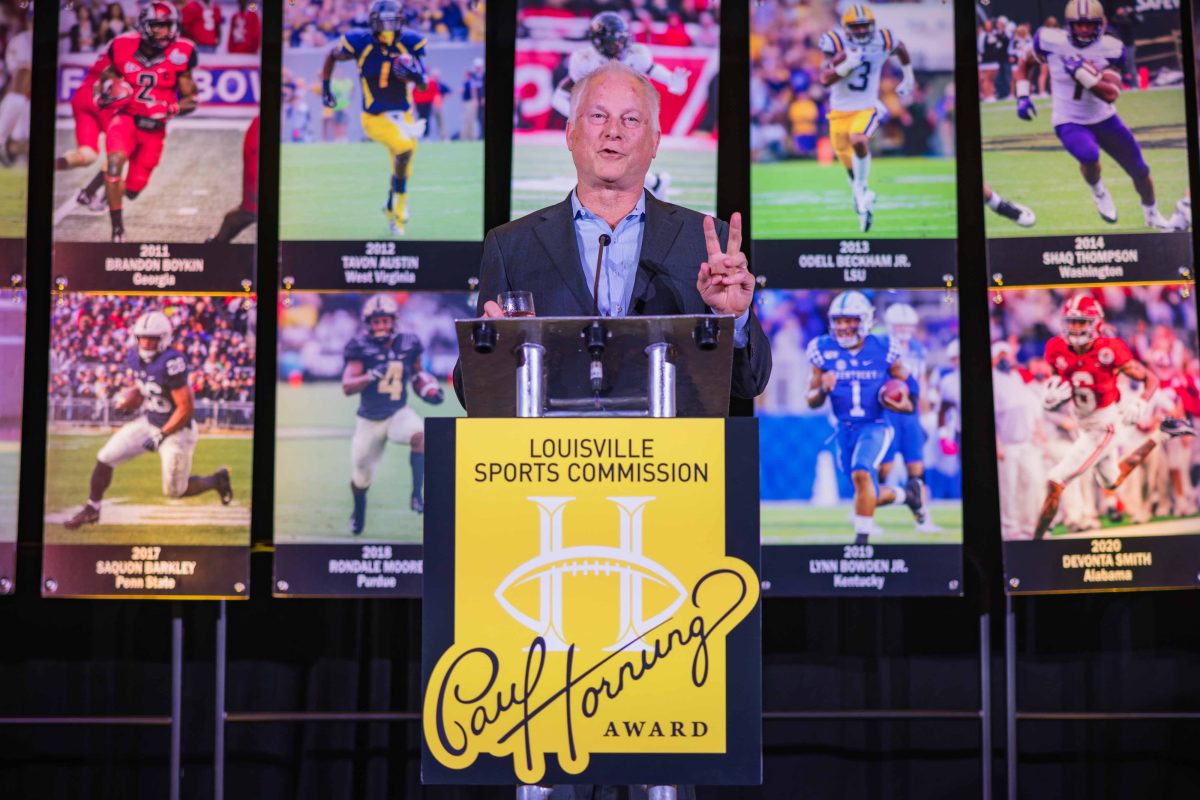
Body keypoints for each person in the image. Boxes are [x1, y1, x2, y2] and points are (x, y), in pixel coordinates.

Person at [458, 60, 770, 406]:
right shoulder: (510, 245)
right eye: (598, 116)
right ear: (570, 134)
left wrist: (733, 319)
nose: (613, 131)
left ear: (655, 142)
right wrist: (493, 348)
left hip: (671, 441)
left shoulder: (705, 241)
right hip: (555, 439)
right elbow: (470, 393)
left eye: (631, 119)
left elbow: (749, 382)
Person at [1032, 295, 1194, 539]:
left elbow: (1151, 379)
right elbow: (1060, 380)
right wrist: (1052, 398)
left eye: (1080, 321)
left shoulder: (1110, 349)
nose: (1074, 327)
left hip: (1103, 423)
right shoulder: (1056, 348)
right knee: (1112, 482)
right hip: (1080, 420)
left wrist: (1141, 401)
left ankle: (1035, 542)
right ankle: (1161, 435)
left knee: (1055, 480)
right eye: (1071, 322)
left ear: (1095, 323)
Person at [1012, 0, 1178, 229]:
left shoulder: (1111, 48)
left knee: (1140, 169)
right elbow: (1024, 64)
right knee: (1089, 155)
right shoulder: (1049, 41)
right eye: (1078, 25)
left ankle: (1152, 213)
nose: (1083, 30)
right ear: (1068, 25)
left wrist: (1084, 74)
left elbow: (1111, 94)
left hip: (1105, 118)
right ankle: (1098, 190)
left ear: (1101, 24)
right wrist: (1023, 95)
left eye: (1089, 24)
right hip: (1068, 119)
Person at [62, 310, 233, 530]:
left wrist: (162, 435)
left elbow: (185, 408)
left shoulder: (172, 362)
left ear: (164, 338)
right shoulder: (135, 357)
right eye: (142, 338)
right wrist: (128, 403)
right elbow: (144, 387)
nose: (146, 343)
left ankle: (216, 480)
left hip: (176, 431)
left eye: (152, 338)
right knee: (105, 457)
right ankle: (92, 509)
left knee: (175, 491)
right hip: (150, 422)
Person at [807, 291, 915, 544]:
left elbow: (911, 392)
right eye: (839, 320)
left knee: (861, 471)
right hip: (844, 428)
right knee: (864, 489)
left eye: (849, 320)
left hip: (875, 425)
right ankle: (907, 495)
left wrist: (903, 403)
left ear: (865, 320)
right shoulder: (822, 348)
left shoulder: (884, 347)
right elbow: (811, 400)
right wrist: (823, 389)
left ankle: (861, 542)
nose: (843, 326)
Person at [550, 11, 690, 199]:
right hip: (602, 114)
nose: (621, 45)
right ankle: (654, 183)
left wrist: (673, 81)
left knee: (614, 155)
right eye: (615, 41)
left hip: (628, 111)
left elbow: (655, 71)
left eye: (622, 39)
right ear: (599, 42)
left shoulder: (636, 55)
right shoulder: (585, 60)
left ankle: (651, 184)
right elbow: (559, 97)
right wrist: (578, 116)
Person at [95, 1, 199, 243]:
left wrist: (170, 108)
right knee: (114, 163)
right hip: (127, 118)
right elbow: (106, 76)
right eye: (158, 26)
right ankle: (117, 230)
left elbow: (192, 99)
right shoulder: (122, 45)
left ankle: (107, 191)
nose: (164, 31)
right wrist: (109, 89)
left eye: (168, 26)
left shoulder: (181, 53)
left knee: (133, 190)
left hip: (154, 131)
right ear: (144, 26)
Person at [322, 0, 427, 236]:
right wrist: (326, 87)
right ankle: (399, 212)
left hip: (404, 116)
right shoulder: (361, 42)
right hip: (375, 117)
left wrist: (417, 77)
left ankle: (390, 203)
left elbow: (423, 86)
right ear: (373, 22)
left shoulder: (410, 42)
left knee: (404, 168)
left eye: (392, 21)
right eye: (384, 22)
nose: (388, 27)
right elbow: (332, 54)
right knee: (403, 149)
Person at [343, 294, 444, 531]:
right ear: (369, 323)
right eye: (376, 321)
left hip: (398, 411)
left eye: (385, 320)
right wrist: (370, 376)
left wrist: (428, 390)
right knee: (361, 475)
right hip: (369, 419)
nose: (381, 325)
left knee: (420, 435)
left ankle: (417, 494)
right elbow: (347, 386)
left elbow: (417, 374)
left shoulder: (409, 343)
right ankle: (359, 511)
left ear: (393, 321)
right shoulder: (360, 346)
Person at [818, 4, 915, 231]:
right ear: (846, 28)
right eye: (856, 27)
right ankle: (862, 203)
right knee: (850, 169)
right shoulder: (835, 42)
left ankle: (861, 190)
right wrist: (846, 66)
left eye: (865, 26)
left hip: (867, 107)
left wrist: (908, 77)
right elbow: (824, 79)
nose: (861, 31)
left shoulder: (883, 39)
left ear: (872, 25)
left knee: (859, 139)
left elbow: (901, 47)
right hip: (839, 113)